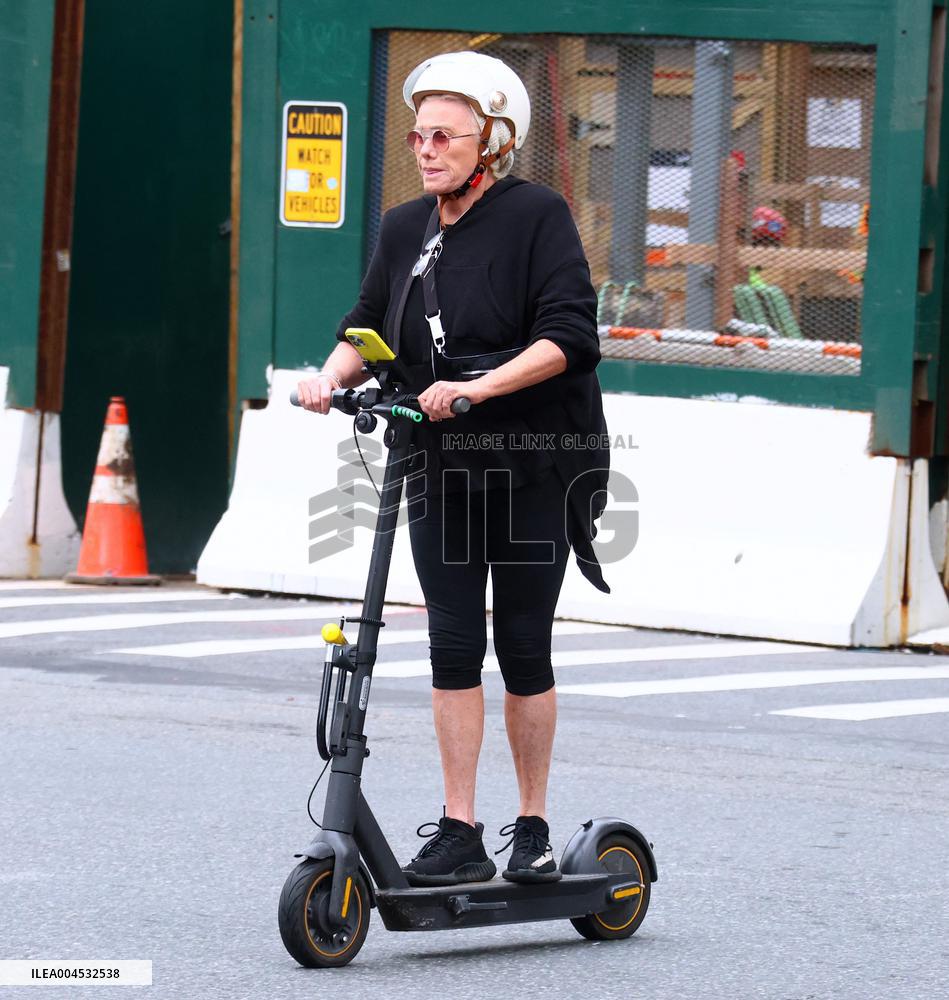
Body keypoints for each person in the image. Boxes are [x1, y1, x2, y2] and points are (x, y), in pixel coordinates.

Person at [297, 50, 610, 887]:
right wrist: (327, 381)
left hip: (532, 462)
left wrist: (477, 386)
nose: (426, 148)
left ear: (493, 141)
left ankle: (533, 827)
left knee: (522, 645)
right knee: (450, 644)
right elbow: (368, 327)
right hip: (437, 463)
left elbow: (571, 336)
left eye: (445, 134)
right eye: (417, 135)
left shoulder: (536, 215)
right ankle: (460, 828)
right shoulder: (406, 227)